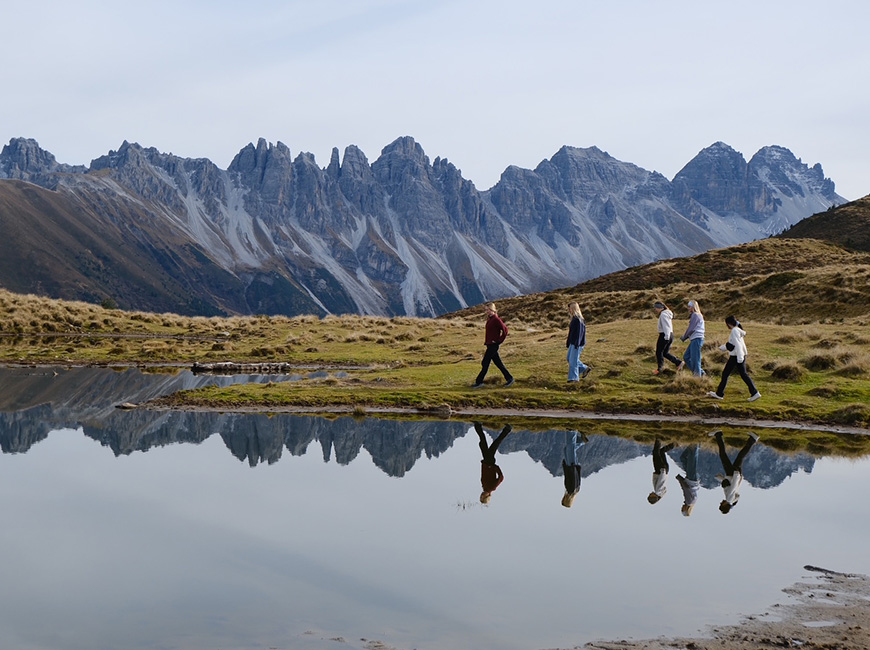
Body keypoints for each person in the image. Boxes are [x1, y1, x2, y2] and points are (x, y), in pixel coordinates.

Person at [707, 315, 761, 402]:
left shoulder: (734, 331)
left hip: (737, 356)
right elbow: (733, 345)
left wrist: (740, 358)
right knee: (732, 374)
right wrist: (723, 347)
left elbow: (738, 345)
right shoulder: (738, 330)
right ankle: (719, 393)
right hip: (738, 355)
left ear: (728, 324)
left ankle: (754, 392)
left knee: (734, 374)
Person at [709, 430, 759, 514]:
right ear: (724, 506)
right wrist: (736, 476)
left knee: (740, 456)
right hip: (732, 473)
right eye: (721, 504)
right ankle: (718, 435)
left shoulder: (731, 500)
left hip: (735, 474)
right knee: (723, 455)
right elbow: (733, 487)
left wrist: (721, 479)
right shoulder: (729, 499)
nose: (721, 502)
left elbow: (736, 493)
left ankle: (752, 440)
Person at [472, 303, 514, 388]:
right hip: (490, 344)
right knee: (498, 363)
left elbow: (505, 330)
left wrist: (499, 341)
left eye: (488, 310)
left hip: (493, 345)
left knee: (485, 363)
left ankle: (479, 382)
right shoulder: (490, 319)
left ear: (492, 310)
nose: (486, 311)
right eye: (486, 310)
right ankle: (509, 378)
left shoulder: (496, 319)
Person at [474, 421, 512, 504]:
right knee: (484, 443)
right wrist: (494, 467)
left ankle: (507, 429)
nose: (481, 495)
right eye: (482, 497)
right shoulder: (492, 487)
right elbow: (501, 477)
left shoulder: (484, 487)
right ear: (487, 496)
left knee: (492, 443)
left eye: (480, 496)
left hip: (486, 461)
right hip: (489, 462)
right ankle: (477, 426)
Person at [561, 430, 588, 507]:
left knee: (566, 449)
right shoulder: (571, 490)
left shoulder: (576, 490)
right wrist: (572, 466)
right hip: (571, 466)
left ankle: (581, 441)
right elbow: (572, 476)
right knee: (570, 448)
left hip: (573, 466)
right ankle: (572, 431)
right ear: (566, 500)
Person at [653, 301, 681, 374]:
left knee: (659, 352)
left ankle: (660, 369)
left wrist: (666, 337)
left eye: (656, 308)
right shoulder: (666, 313)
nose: (655, 309)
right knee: (665, 353)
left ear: (660, 308)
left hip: (665, 335)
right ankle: (678, 362)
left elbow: (666, 326)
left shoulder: (663, 315)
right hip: (669, 334)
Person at [566, 302, 591, 382]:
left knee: (573, 361)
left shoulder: (578, 320)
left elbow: (579, 333)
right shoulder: (575, 319)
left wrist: (577, 343)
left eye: (570, 308)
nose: (569, 310)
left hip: (577, 343)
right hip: (573, 342)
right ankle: (584, 368)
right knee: (570, 358)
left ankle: (573, 379)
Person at [679, 299, 706, 376]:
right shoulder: (698, 315)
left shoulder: (695, 315)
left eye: (689, 306)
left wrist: (684, 337)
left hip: (697, 339)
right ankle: (700, 373)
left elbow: (691, 328)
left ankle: (697, 377)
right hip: (695, 339)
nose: (688, 308)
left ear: (693, 307)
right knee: (686, 357)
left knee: (695, 359)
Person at [647, 438, 675, 504]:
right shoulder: (658, 491)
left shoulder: (661, 494)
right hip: (660, 470)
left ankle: (673, 444)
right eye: (650, 495)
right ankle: (658, 438)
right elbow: (661, 481)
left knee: (661, 451)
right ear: (653, 497)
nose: (649, 493)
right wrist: (662, 471)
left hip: (664, 470)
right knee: (655, 452)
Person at [676, 443, 701, 516]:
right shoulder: (689, 501)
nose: (682, 507)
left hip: (693, 479)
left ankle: (691, 445)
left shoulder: (693, 502)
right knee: (693, 459)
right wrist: (679, 479)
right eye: (682, 509)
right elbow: (685, 488)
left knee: (683, 458)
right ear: (686, 509)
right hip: (691, 479)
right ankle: (696, 444)